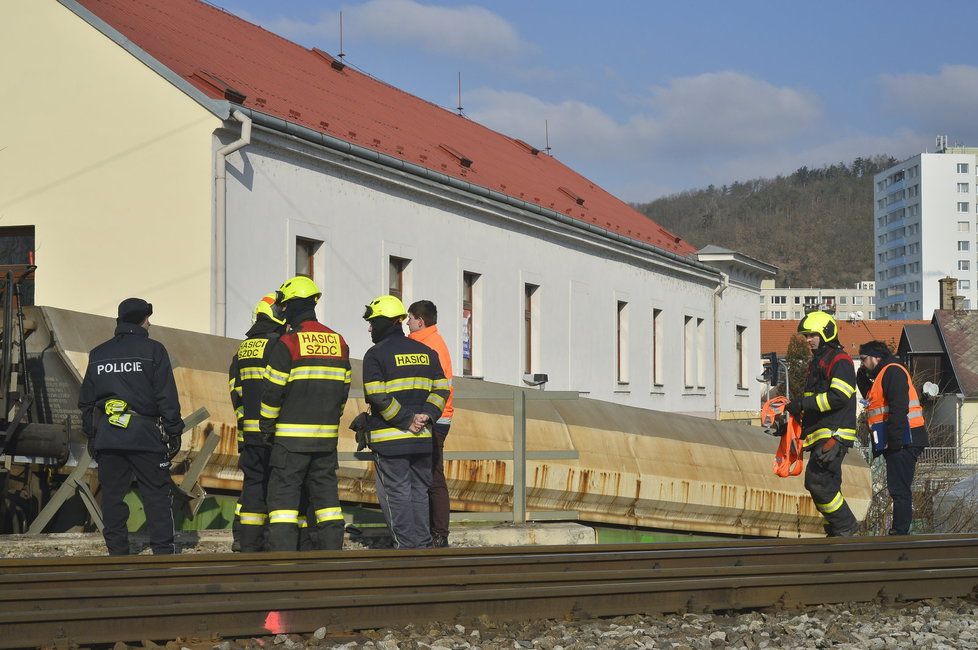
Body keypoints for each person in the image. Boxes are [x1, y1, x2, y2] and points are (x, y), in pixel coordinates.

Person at [78, 298, 184, 555]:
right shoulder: (154, 350)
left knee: (113, 497)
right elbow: (165, 396)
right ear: (142, 320)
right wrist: (173, 430)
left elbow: (87, 402)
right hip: (144, 435)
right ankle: (162, 552)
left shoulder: (98, 354)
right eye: (148, 318)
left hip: (109, 437)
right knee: (156, 494)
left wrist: (93, 436)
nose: (150, 322)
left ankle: (117, 554)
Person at [260, 276, 350, 552]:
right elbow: (343, 393)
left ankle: (283, 564)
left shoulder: (288, 343)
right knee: (327, 504)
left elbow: (272, 392)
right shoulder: (339, 342)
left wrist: (267, 426)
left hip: (289, 442)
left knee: (284, 505)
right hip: (325, 441)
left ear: (291, 307)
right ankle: (331, 560)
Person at [362, 295, 450, 549]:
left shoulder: (376, 354)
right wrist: (427, 415)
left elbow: (377, 395)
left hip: (391, 440)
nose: (369, 328)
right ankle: (422, 547)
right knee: (419, 493)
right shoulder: (426, 352)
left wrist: (405, 420)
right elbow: (442, 388)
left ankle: (407, 550)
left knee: (395, 494)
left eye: (372, 322)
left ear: (384, 322)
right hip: (422, 438)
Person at [786, 310, 860, 537]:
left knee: (818, 483)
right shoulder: (820, 361)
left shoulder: (840, 361)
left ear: (826, 334)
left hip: (834, 435)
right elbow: (815, 404)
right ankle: (838, 529)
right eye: (807, 336)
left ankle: (845, 526)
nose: (808, 340)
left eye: (812, 335)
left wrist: (803, 404)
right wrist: (793, 416)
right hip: (825, 433)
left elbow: (839, 396)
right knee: (824, 484)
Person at [228, 293, 286, 552]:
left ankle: (243, 538)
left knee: (251, 486)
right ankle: (274, 541)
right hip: (274, 432)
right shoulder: (279, 347)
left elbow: (235, 393)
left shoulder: (242, 350)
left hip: (248, 435)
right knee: (277, 486)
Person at [856, 340, 929, 535]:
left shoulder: (893, 371)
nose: (862, 364)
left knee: (899, 488)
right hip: (900, 439)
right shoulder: (883, 374)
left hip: (905, 439)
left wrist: (894, 442)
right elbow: (874, 399)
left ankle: (900, 532)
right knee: (898, 487)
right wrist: (862, 378)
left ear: (876, 357)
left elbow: (898, 408)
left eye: (864, 359)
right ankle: (899, 531)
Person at [406, 300, 454, 548]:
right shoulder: (434, 341)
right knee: (430, 474)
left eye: (410, 318)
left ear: (420, 321)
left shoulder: (426, 344)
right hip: (439, 415)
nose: (407, 322)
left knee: (432, 476)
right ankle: (435, 532)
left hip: (433, 417)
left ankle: (438, 533)